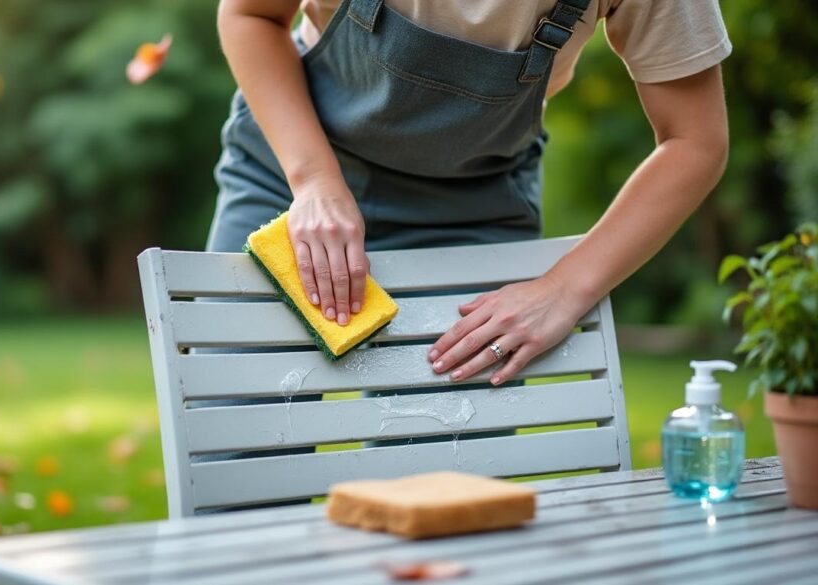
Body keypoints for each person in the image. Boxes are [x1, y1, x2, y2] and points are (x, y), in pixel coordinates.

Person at [207, 0, 729, 388]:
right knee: (241, 431)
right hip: (292, 172)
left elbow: (696, 140)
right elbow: (250, 14)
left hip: (473, 204)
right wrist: (315, 181)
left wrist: (564, 289)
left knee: (448, 462)